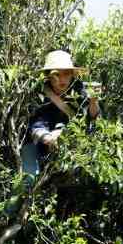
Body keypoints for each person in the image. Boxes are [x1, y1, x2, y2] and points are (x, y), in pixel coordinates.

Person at [22, 50, 100, 182]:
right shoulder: (40, 93)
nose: (62, 79)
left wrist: (94, 100)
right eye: (57, 74)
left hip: (70, 148)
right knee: (29, 178)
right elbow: (36, 124)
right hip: (38, 144)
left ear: (72, 75)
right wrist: (49, 137)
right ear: (48, 76)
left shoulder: (79, 89)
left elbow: (92, 118)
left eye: (66, 74)